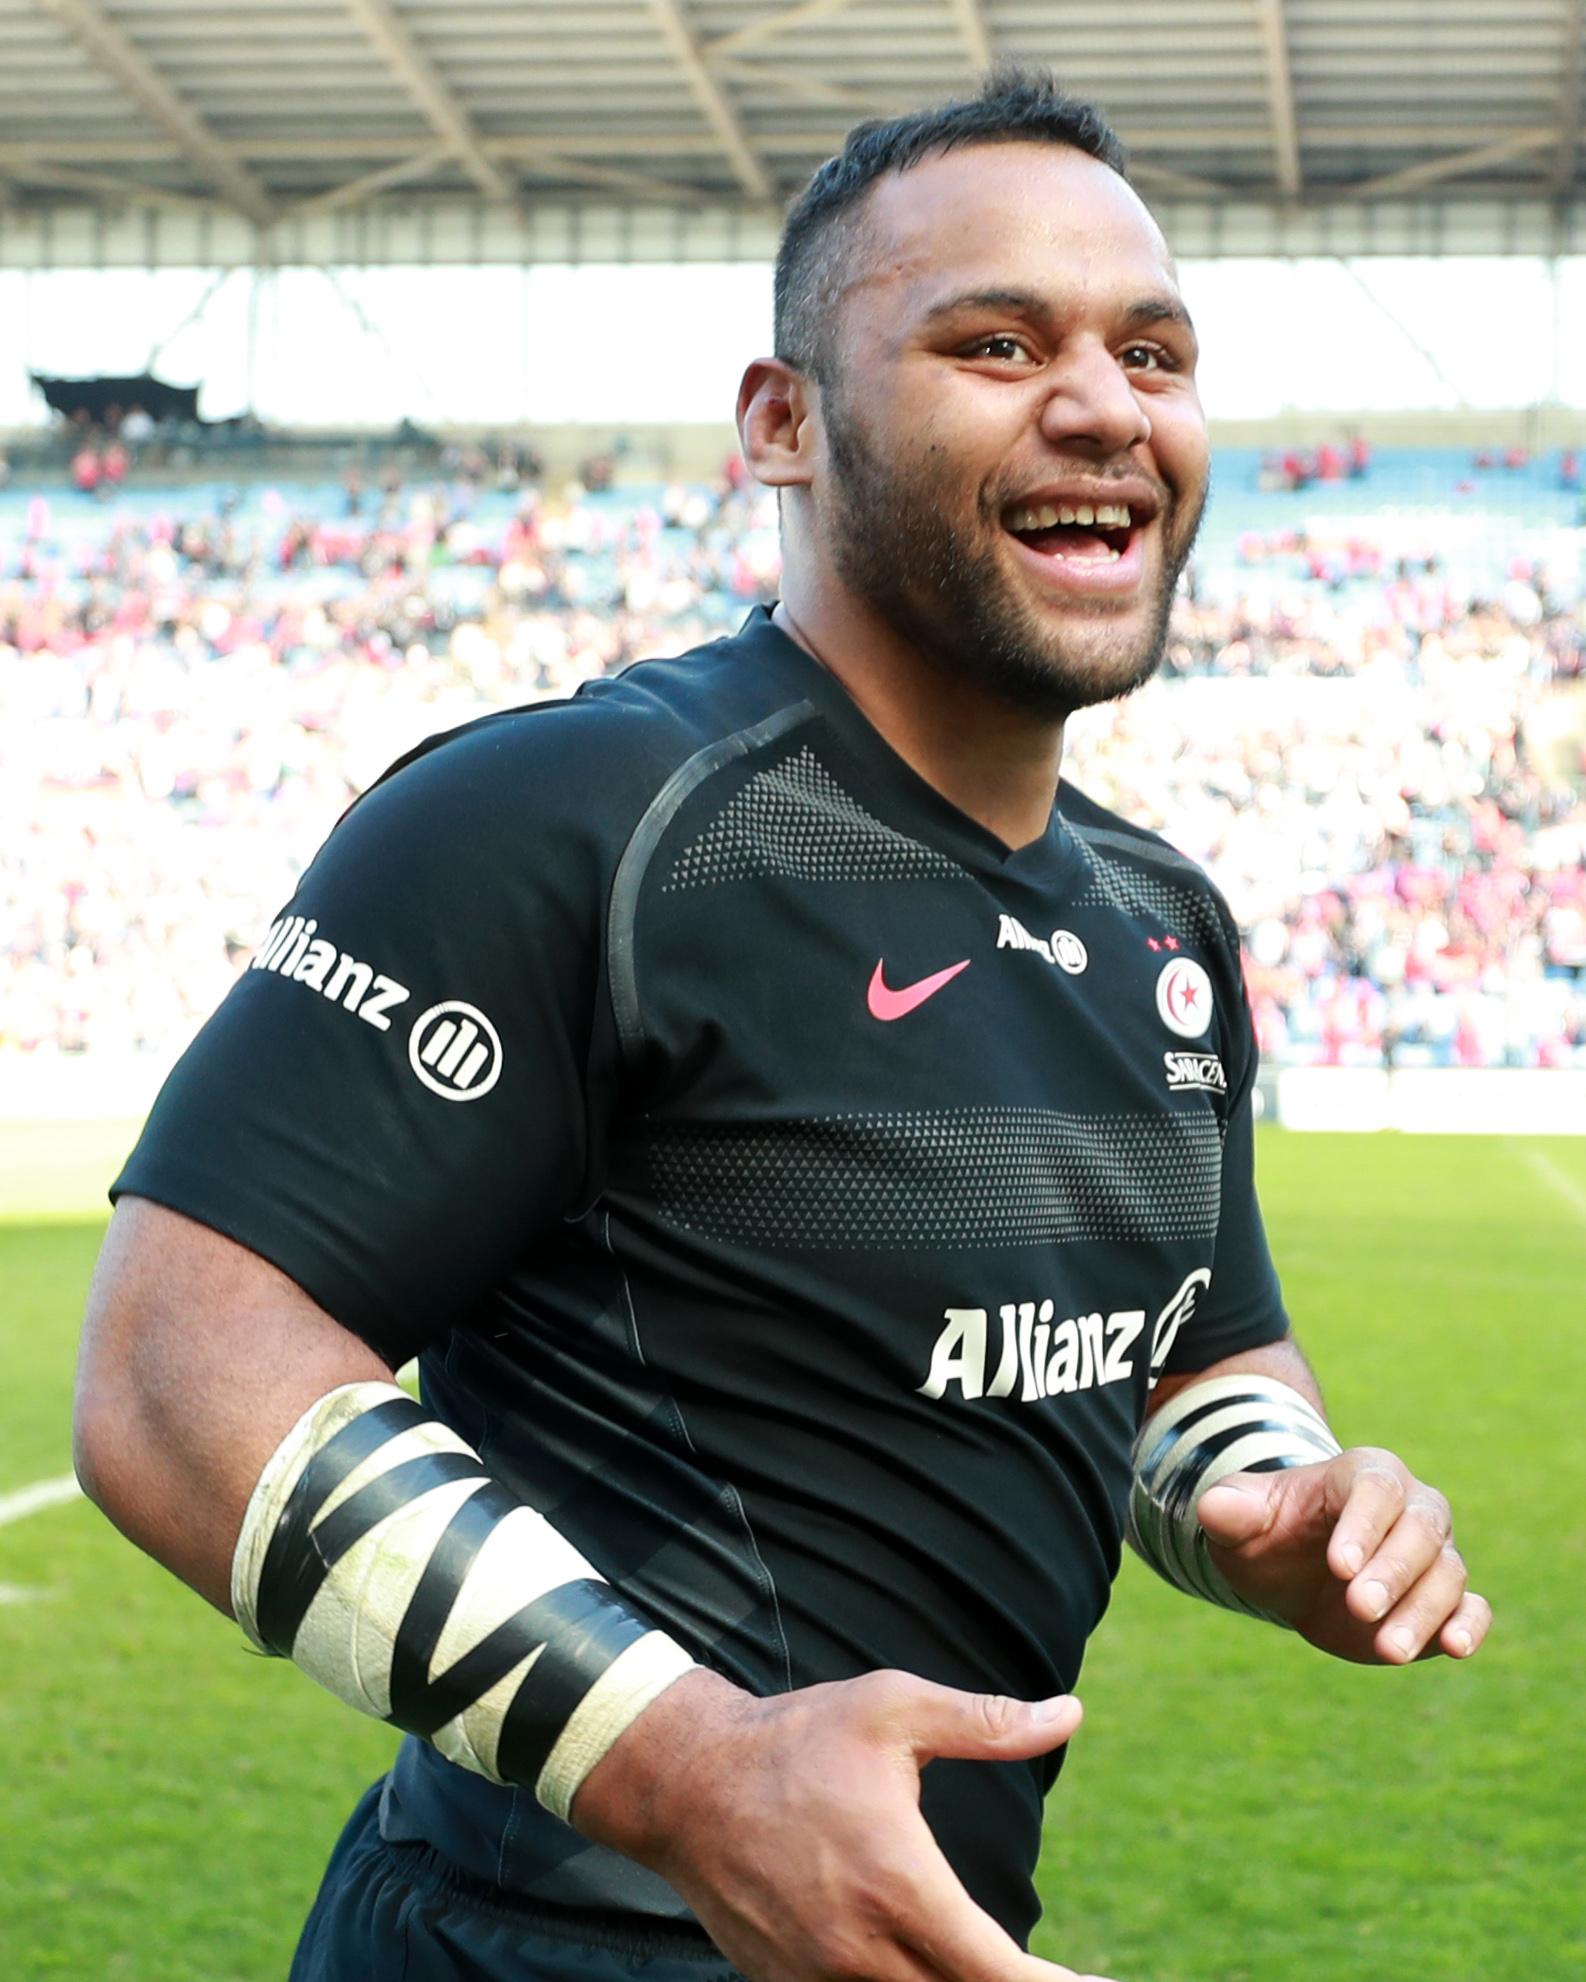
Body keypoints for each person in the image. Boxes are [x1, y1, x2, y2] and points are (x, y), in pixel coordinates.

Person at [74, 70, 1490, 1982]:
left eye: (1151, 351)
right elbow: (175, 1373)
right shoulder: (568, 815)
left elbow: (1192, 1356)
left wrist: (1263, 1494)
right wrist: (694, 1768)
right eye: (994, 341)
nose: (1102, 402)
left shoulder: (1161, 919)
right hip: (534, 1944)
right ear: (781, 420)